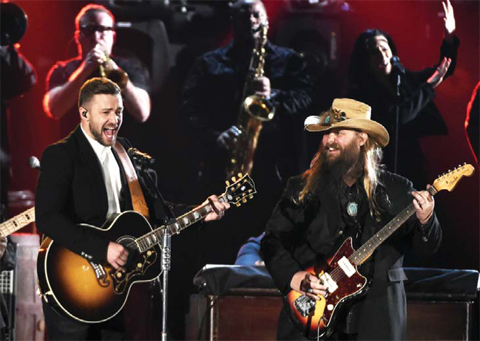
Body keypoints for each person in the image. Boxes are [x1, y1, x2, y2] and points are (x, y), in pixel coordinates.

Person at [35, 77, 230, 340]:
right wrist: (101, 248)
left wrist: (200, 211)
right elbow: (47, 218)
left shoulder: (124, 151)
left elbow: (155, 210)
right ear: (83, 113)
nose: (114, 120)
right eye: (106, 112)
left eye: (119, 112)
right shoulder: (61, 155)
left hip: (114, 290)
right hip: (71, 284)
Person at [261, 98, 442, 340]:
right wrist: (295, 277)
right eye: (326, 133)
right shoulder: (302, 187)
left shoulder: (397, 189)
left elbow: (427, 248)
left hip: (376, 320)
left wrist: (426, 219)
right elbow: (271, 241)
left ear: (362, 138)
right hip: (313, 316)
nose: (329, 140)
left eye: (339, 133)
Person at [180, 0, 314, 261]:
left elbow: (308, 98)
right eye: (244, 16)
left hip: (276, 172)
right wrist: (215, 136)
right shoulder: (209, 63)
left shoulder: (289, 61)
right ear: (234, 20)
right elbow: (188, 110)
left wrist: (273, 95)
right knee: (219, 245)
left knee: (277, 245)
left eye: (256, 15)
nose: (251, 21)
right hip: (225, 169)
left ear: (266, 20)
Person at [347, 0, 458, 189]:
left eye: (384, 47)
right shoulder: (363, 95)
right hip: (382, 167)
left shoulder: (405, 78)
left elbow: (443, 70)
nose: (383, 55)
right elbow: (396, 118)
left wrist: (449, 37)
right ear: (366, 61)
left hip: (413, 163)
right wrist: (429, 86)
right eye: (375, 52)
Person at [43, 3, 151, 137]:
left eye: (102, 29)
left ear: (113, 36)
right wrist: (84, 70)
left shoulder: (130, 67)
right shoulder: (62, 70)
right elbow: (55, 110)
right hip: (76, 153)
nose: (95, 36)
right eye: (89, 29)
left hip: (117, 151)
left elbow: (142, 113)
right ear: (78, 37)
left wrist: (117, 74)